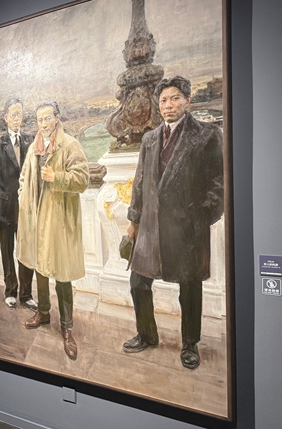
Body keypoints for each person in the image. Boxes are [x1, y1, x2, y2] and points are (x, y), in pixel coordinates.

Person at [123, 76, 224, 370]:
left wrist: (201, 217)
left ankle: (190, 344)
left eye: (175, 98)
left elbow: (220, 182)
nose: (168, 105)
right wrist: (134, 222)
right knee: (138, 282)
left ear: (187, 101)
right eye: (164, 100)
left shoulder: (207, 135)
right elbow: (140, 182)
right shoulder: (149, 139)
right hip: (151, 227)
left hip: (188, 228)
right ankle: (147, 335)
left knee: (189, 288)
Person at [17, 101, 89, 360]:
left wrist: (56, 177)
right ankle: (44, 312)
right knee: (40, 267)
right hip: (36, 219)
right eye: (40, 120)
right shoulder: (33, 148)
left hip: (59, 219)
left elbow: (83, 180)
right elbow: (24, 178)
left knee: (62, 272)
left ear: (57, 118)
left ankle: (67, 328)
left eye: (48, 118)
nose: (44, 124)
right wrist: (22, 196)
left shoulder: (70, 144)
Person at [0, 99, 37, 311]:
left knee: (27, 251)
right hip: (7, 209)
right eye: (13, 115)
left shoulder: (31, 140)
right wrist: (3, 200)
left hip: (27, 208)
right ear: (5, 118)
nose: (17, 118)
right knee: (7, 252)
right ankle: (10, 292)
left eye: (20, 114)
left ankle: (26, 294)